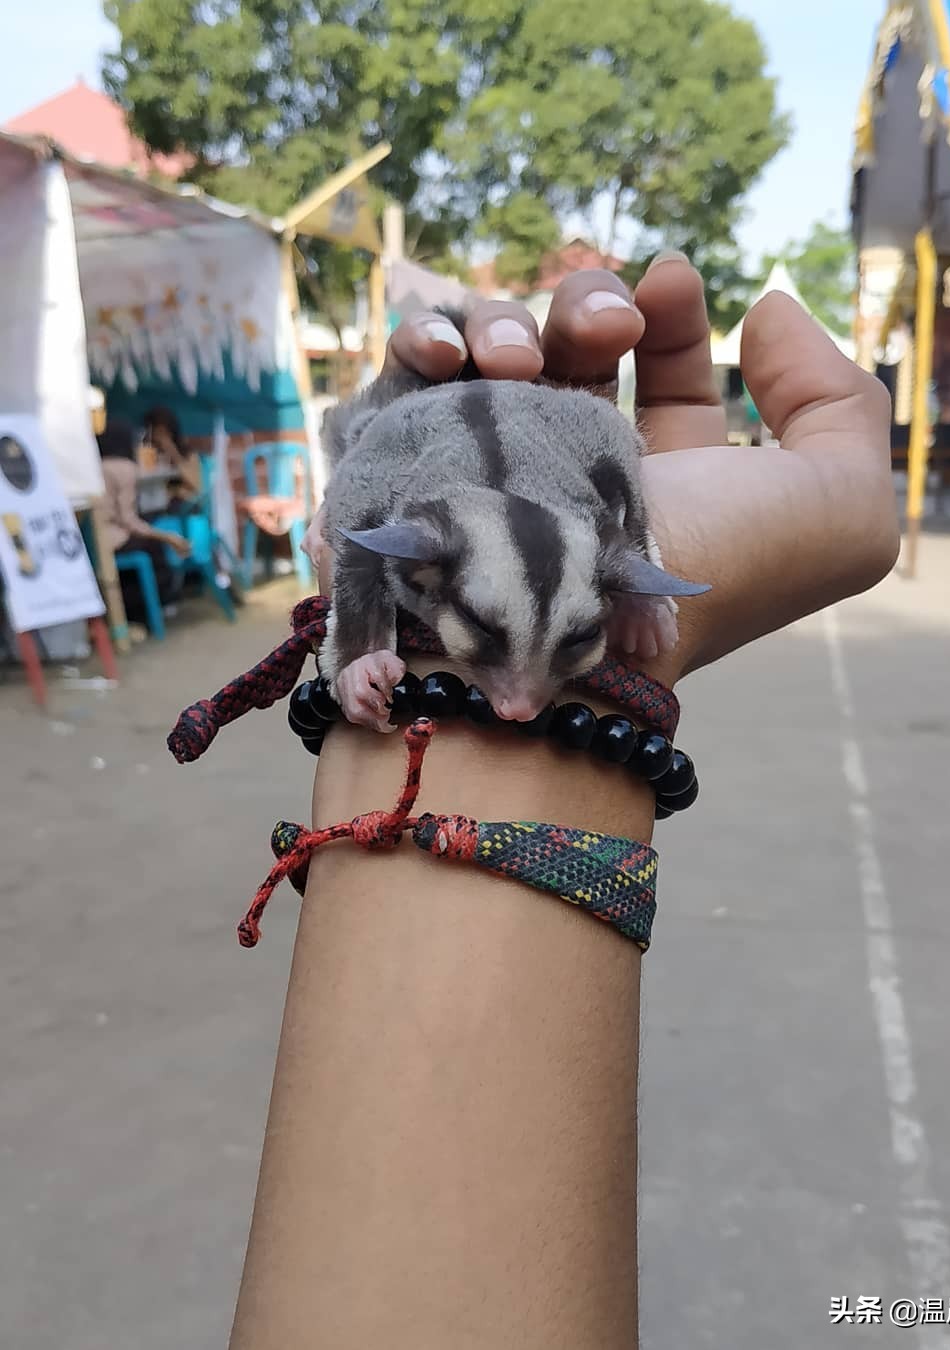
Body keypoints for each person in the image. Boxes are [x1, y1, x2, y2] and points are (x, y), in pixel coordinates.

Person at [228, 255, 898, 1350]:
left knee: (564, 534)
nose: (523, 702)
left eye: (568, 652)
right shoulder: (410, 512)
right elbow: (356, 530)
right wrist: (358, 649)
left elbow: (617, 489)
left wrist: (634, 584)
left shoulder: (606, 512)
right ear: (435, 577)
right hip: (429, 461)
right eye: (485, 653)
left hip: (555, 496)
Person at [97, 418, 191, 622]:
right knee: (155, 548)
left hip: (92, 542)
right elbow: (128, 520)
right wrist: (168, 537)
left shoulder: (95, 466)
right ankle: (155, 609)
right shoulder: (124, 467)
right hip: (113, 539)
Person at [142, 405, 203, 501]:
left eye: (165, 433)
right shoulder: (145, 452)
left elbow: (194, 488)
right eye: (158, 433)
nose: (162, 439)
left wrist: (174, 455)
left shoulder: (187, 453)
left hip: (178, 507)